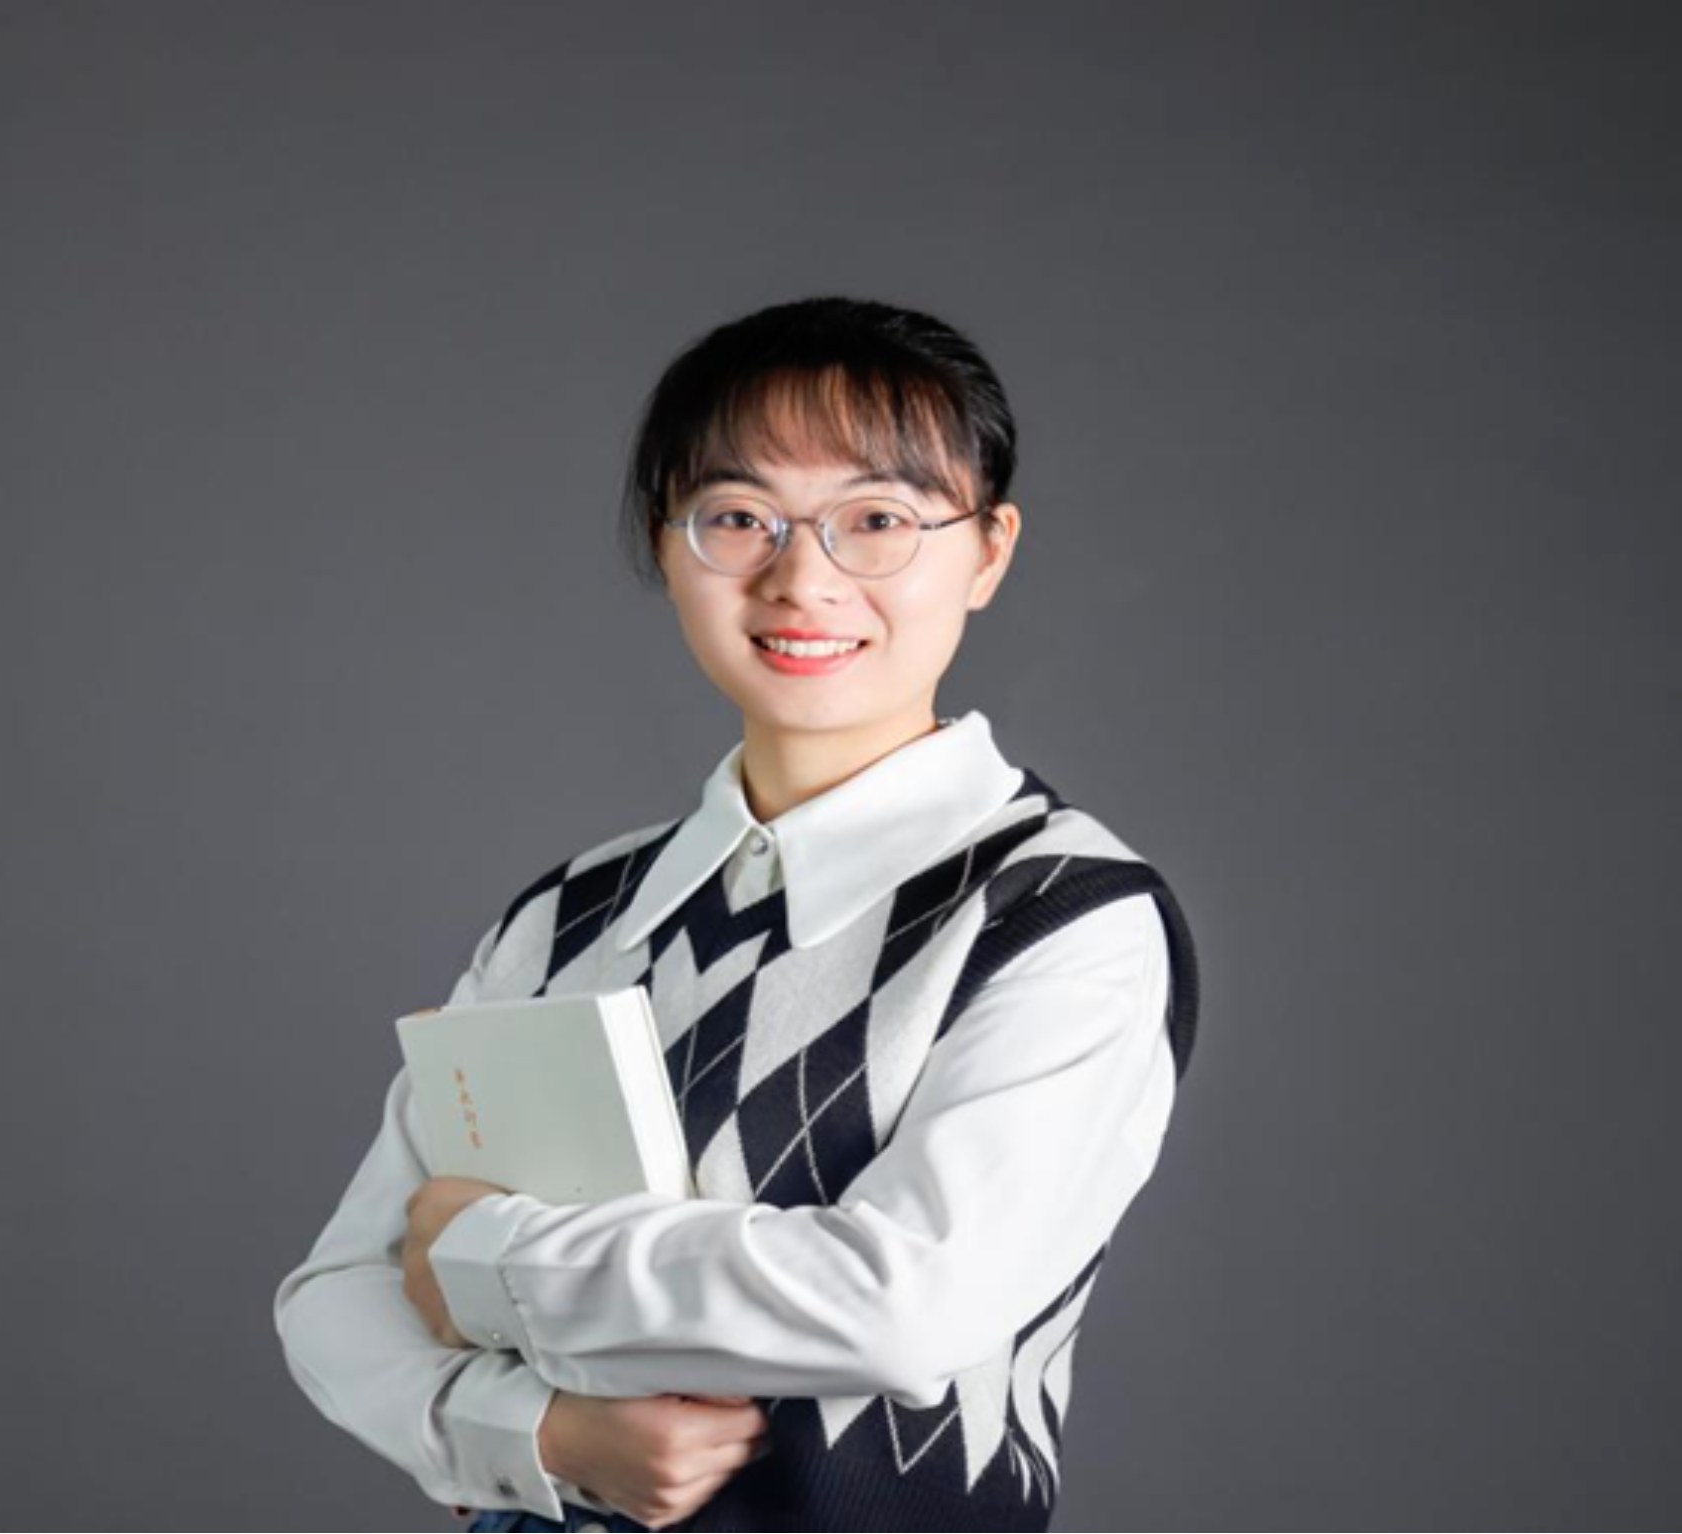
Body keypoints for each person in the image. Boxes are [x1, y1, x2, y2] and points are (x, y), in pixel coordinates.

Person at [273, 294, 1200, 1534]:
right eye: (737, 518)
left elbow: (904, 1303)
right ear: (667, 548)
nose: (802, 577)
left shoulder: (1062, 914)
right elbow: (338, 1291)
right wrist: (534, 1436)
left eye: (877, 520)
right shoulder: (569, 913)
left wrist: (489, 1258)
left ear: (986, 552)